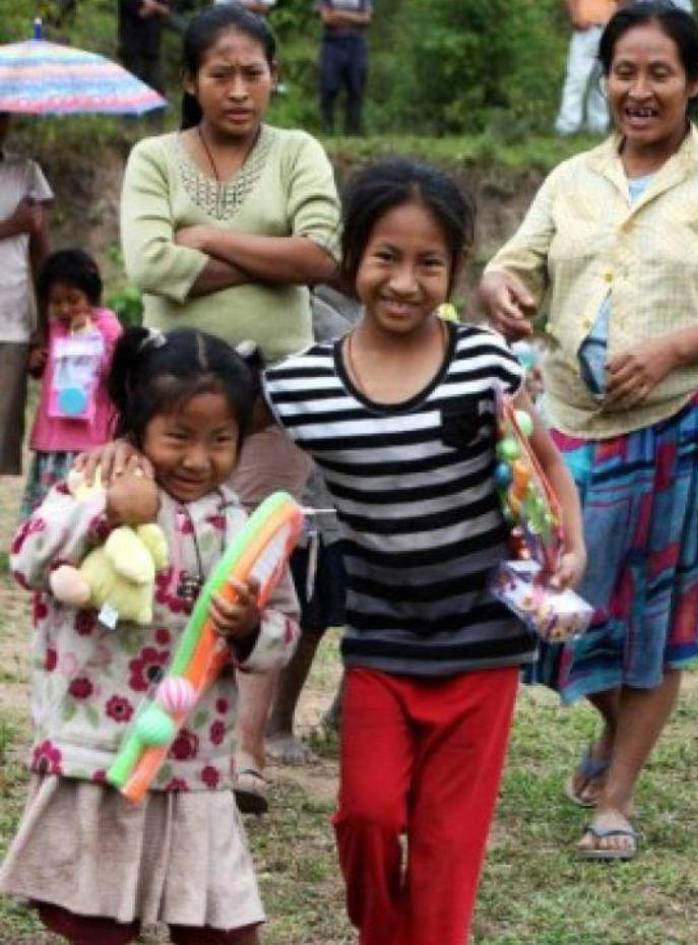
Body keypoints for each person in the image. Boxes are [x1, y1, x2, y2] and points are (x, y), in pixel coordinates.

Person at [480, 1, 698, 859]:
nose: (639, 90)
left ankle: (615, 799)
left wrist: (670, 352)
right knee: (548, 599)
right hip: (572, 425)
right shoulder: (572, 177)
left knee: (651, 615)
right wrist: (499, 288)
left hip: (684, 423)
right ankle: (619, 728)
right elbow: (513, 264)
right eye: (625, 71)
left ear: (695, 82)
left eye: (660, 73)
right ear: (605, 77)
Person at [263, 159, 585, 945]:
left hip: (482, 647)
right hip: (381, 645)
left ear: (456, 267)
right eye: (386, 258)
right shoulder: (302, 388)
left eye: (429, 262)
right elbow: (205, 432)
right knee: (367, 818)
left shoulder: (482, 362)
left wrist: (570, 540)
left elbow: (542, 458)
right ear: (351, 260)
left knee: (447, 850)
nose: (405, 281)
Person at [1, 326, 299, 945]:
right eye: (179, 437)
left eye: (221, 441)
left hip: (196, 761)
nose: (198, 459)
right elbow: (26, 558)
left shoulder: (243, 525)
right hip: (101, 752)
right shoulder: (91, 483)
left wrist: (249, 630)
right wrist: (108, 508)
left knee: (222, 929)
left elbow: (283, 631)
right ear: (139, 423)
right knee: (99, 924)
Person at [120, 3, 340, 813]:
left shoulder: (298, 151)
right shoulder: (153, 156)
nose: (240, 89)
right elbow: (147, 259)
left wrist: (206, 239)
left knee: (254, 565)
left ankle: (243, 754)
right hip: (170, 401)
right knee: (166, 558)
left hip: (276, 395)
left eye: (254, 73)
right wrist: (268, 260)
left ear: (275, 77)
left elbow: (321, 255)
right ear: (189, 80)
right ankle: (157, 728)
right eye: (222, 73)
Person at [263, 294, 354, 765]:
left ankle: (342, 717)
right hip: (314, 501)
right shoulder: (309, 309)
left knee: (360, 613)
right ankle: (276, 722)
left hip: (364, 504)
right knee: (307, 616)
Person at [21, 250, 123, 520]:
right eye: (56, 302)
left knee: (83, 510)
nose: (65, 309)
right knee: (48, 513)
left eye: (73, 300)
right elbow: (48, 374)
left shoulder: (107, 326)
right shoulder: (53, 330)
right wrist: (36, 362)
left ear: (92, 295)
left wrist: (87, 336)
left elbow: (117, 370)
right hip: (54, 441)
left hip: (91, 441)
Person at [0, 113, 52, 483]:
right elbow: (22, 230)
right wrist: (11, 226)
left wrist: (46, 327)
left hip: (12, 320)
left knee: (3, 435)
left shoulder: (26, 173)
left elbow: (40, 255)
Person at [555, 0, 619, 136]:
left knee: (601, 81)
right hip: (586, 28)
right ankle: (567, 126)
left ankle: (598, 126)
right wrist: (575, 16)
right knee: (576, 79)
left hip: (608, 28)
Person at [317, 0, 373, 136]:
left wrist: (339, 14)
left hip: (357, 43)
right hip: (332, 42)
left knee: (356, 88)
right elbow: (327, 19)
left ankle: (352, 133)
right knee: (328, 87)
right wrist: (354, 18)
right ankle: (327, 130)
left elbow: (366, 19)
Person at [117, 0, 171, 92]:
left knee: (157, 87)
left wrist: (154, 5)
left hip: (153, 46)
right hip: (133, 47)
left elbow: (166, 11)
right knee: (134, 86)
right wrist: (155, 7)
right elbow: (142, 13)